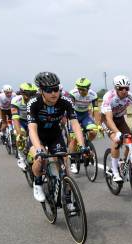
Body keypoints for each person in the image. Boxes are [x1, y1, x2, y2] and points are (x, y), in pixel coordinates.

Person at [27, 72, 87, 204]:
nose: (54, 93)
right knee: (40, 160)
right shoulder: (34, 103)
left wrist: (82, 146)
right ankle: (37, 183)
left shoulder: (65, 101)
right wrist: (38, 150)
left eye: (56, 89)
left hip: (55, 135)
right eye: (49, 90)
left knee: (64, 163)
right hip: (38, 135)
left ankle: (68, 200)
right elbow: (32, 128)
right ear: (41, 90)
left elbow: (75, 124)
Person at [100, 75, 132, 182]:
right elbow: (109, 118)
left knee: (131, 141)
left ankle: (123, 162)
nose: (124, 91)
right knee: (117, 140)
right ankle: (115, 172)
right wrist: (117, 133)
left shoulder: (131, 97)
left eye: (127, 88)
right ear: (116, 88)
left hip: (120, 119)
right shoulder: (109, 97)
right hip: (107, 120)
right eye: (121, 88)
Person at [67, 77, 101, 173]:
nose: (81, 91)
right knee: (74, 138)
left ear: (88, 88)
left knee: (93, 132)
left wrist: (97, 125)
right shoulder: (73, 94)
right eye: (79, 89)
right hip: (74, 115)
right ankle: (73, 161)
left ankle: (86, 144)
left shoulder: (93, 95)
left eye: (83, 89)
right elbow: (69, 110)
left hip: (85, 115)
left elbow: (96, 111)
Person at [11, 82, 38, 170]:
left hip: (32, 121)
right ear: (22, 93)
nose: (30, 96)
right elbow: (15, 119)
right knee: (20, 136)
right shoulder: (16, 100)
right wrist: (19, 133)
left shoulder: (36, 99)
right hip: (21, 121)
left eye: (33, 94)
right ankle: (21, 158)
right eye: (28, 94)